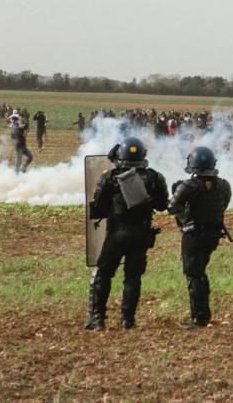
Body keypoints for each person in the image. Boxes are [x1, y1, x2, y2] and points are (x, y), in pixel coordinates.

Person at [85, 137, 169, 330]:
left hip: (117, 233)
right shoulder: (155, 177)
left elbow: (98, 207)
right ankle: (127, 320)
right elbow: (162, 205)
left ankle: (97, 319)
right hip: (141, 234)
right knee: (133, 277)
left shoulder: (110, 177)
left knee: (104, 273)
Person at [167, 146, 232, 328]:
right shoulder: (223, 185)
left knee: (193, 275)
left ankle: (200, 318)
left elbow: (172, 207)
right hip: (213, 235)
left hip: (194, 235)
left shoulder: (188, 186)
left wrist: (187, 220)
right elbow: (222, 205)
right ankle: (204, 314)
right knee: (200, 273)